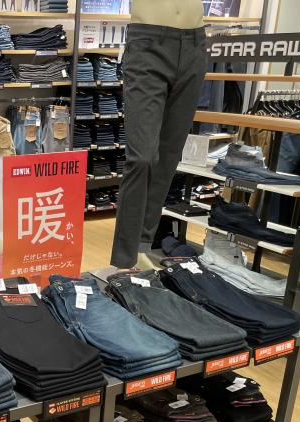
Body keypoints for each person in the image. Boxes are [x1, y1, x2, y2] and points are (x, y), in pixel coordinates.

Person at [110, 0, 206, 270]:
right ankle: (124, 258)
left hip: (195, 45)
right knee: (142, 157)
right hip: (148, 43)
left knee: (168, 158)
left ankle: (142, 245)